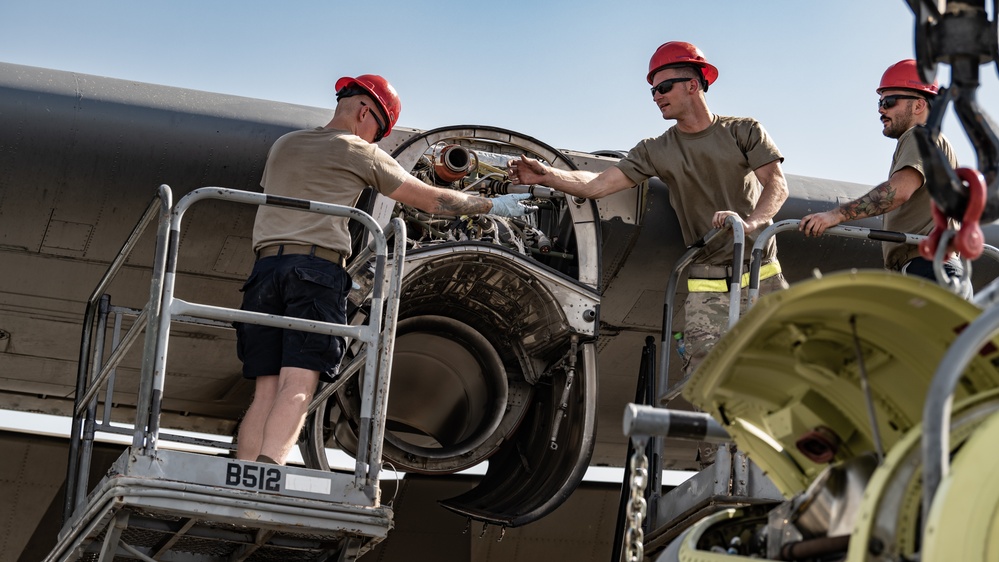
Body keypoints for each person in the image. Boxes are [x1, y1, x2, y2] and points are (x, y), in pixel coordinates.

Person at [235, 74, 534, 465]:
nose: (375, 140)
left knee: (266, 388)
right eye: (378, 131)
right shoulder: (358, 151)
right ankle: (269, 472)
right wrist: (492, 207)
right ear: (365, 112)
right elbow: (428, 200)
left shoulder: (285, 145)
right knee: (299, 383)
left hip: (264, 272)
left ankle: (243, 474)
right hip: (313, 272)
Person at [508, 41, 789, 383]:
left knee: (782, 380)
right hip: (709, 285)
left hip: (765, 277)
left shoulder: (743, 131)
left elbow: (776, 183)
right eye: (652, 91)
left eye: (664, 87)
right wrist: (549, 175)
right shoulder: (657, 150)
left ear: (693, 84)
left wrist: (753, 222)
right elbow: (597, 184)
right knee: (710, 384)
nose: (656, 96)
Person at [799, 59, 961, 282]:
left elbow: (898, 191)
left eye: (889, 101)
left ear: (919, 105)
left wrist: (834, 215)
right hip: (929, 267)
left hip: (929, 267)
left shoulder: (919, 135)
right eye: (879, 102)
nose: (881, 110)